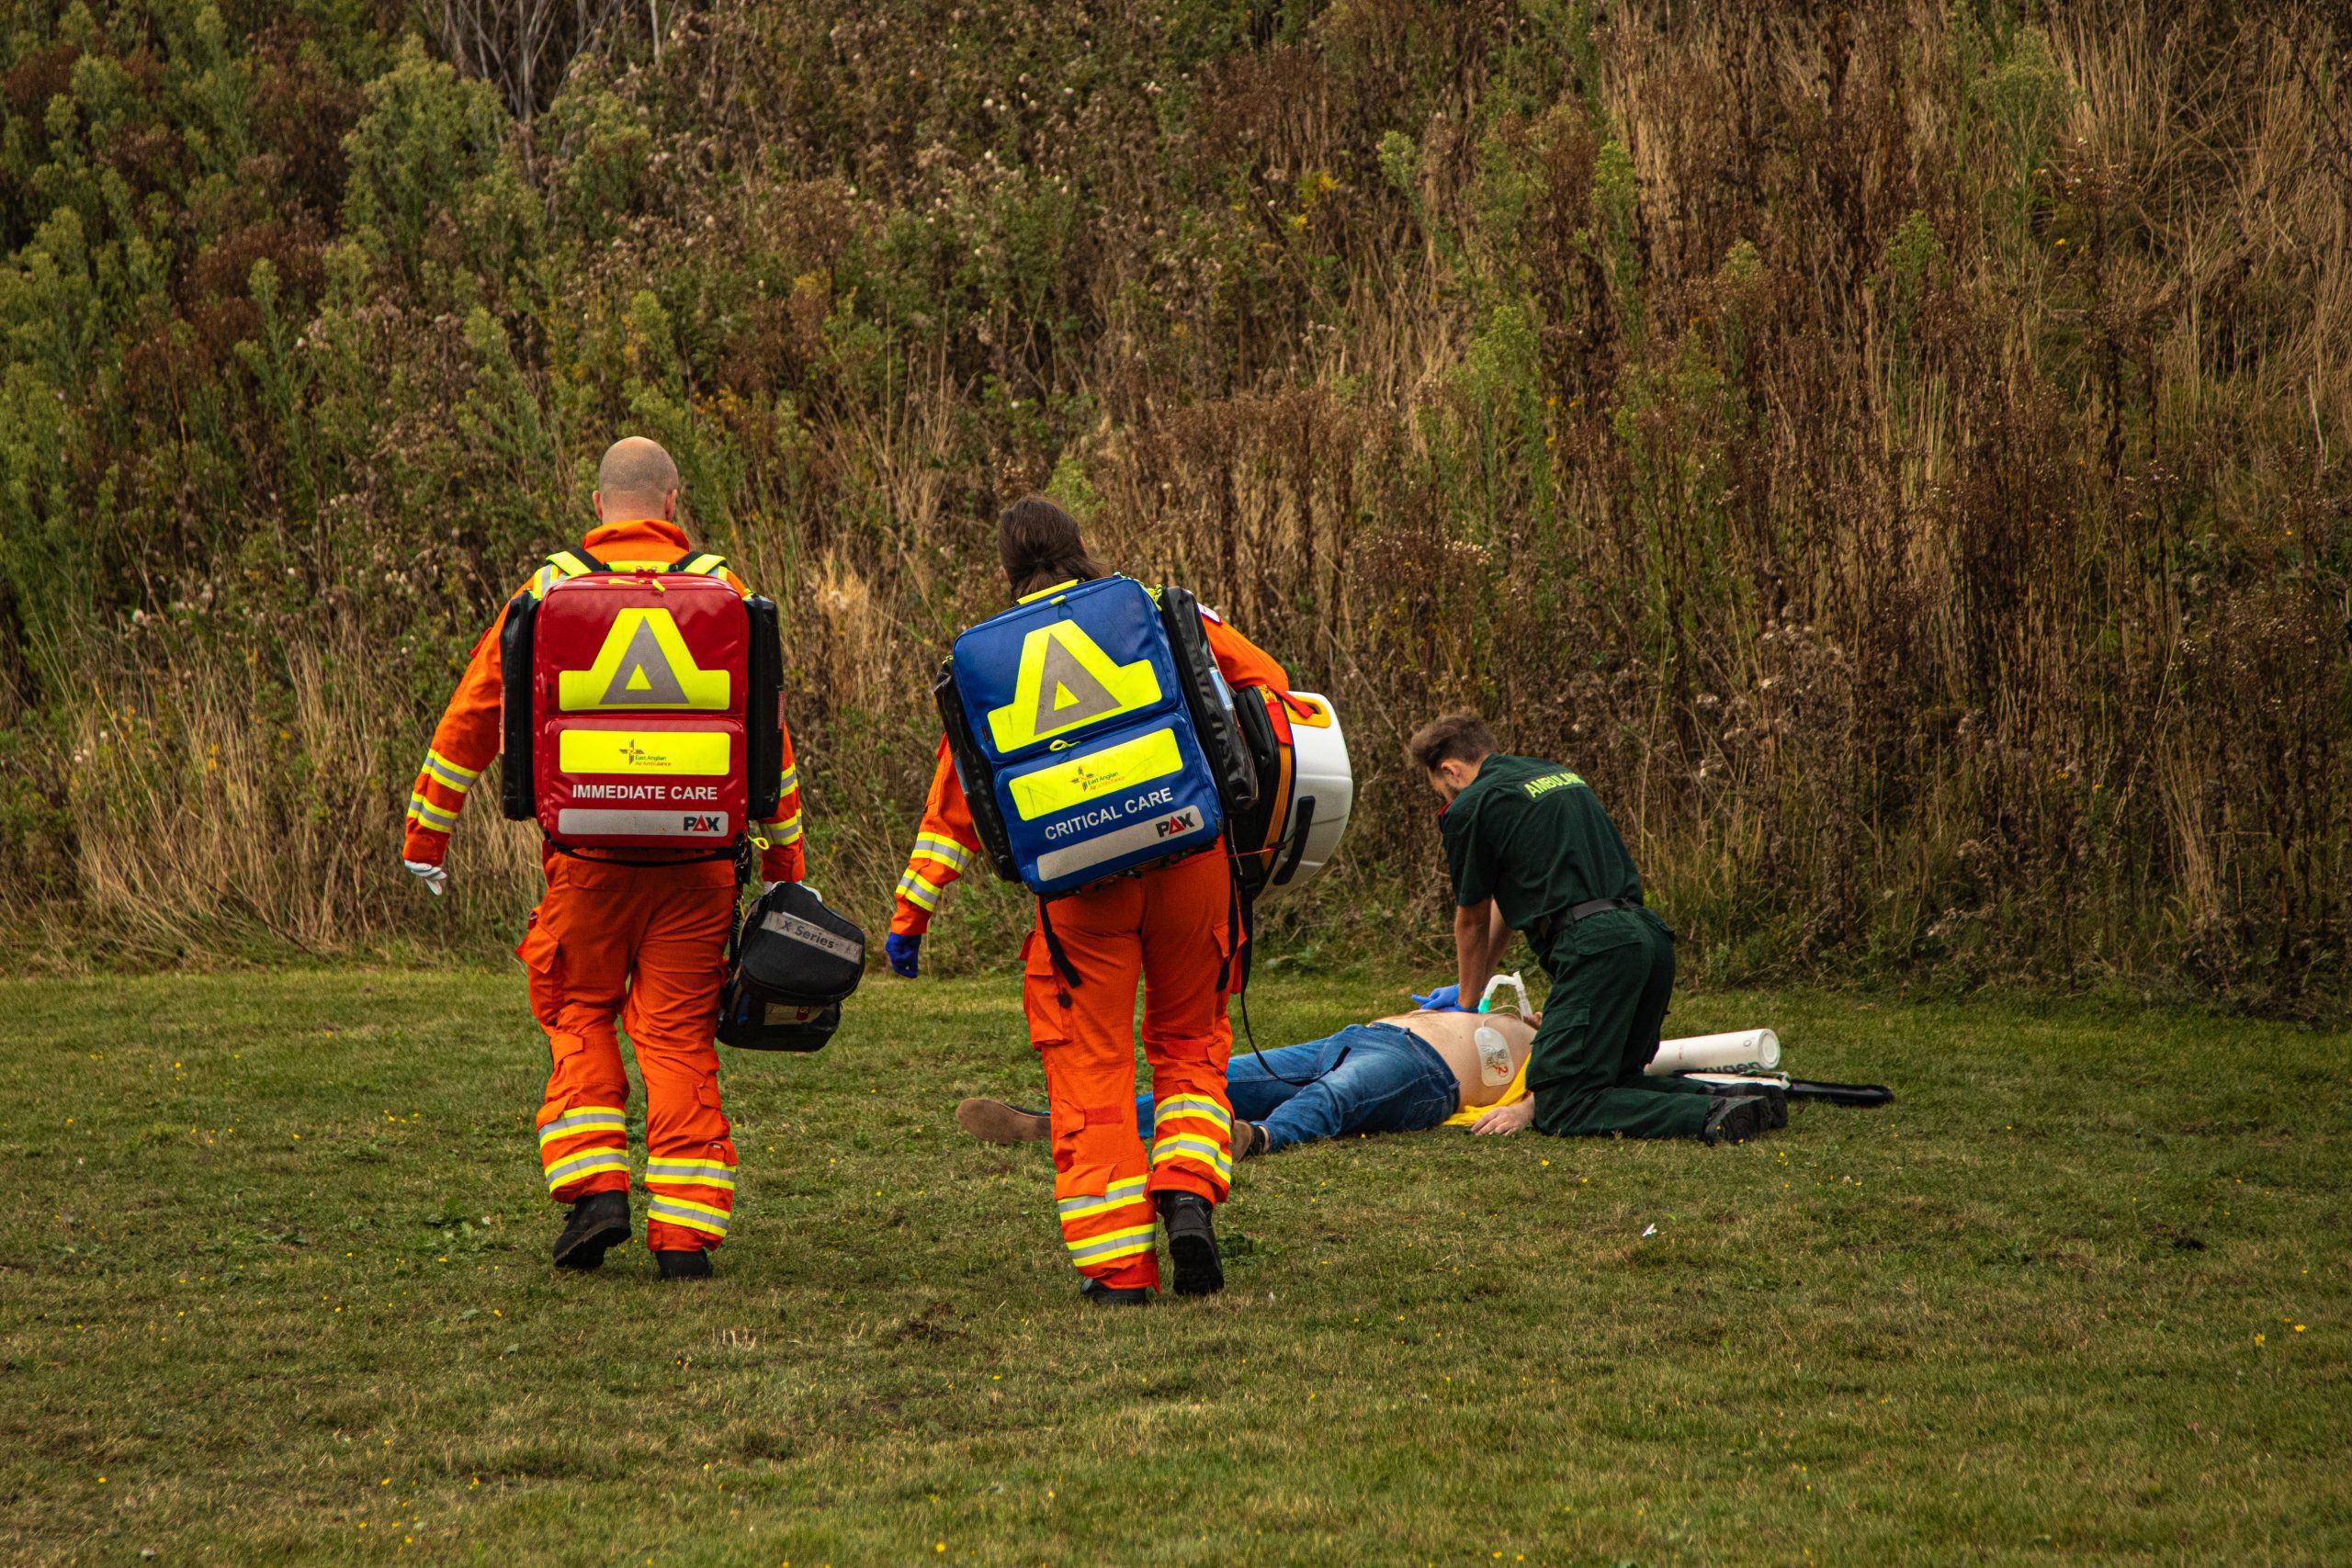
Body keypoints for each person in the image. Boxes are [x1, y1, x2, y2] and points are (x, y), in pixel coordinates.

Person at [400, 437, 808, 1280]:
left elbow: (474, 712)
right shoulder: (725, 590)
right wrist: (785, 860)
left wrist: (426, 835)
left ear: (598, 504)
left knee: (579, 1010)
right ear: (672, 498)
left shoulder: (547, 591)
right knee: (678, 1037)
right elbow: (769, 739)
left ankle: (595, 1193)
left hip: (584, 860)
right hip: (698, 867)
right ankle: (686, 1239)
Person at [887, 497, 1292, 1305]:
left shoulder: (986, 658)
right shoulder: (1152, 608)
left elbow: (954, 802)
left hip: (1080, 891)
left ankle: (1118, 1271)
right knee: (1192, 1042)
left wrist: (911, 919)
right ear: (1082, 548)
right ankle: (1185, 1194)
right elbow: (1269, 686)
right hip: (1192, 861)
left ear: (1006, 572)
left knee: (1091, 1069)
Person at [1406, 712, 1772, 1145]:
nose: (1446, 797)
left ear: (1450, 770)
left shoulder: (1472, 805)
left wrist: (1466, 1006)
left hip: (1597, 948)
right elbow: (1504, 906)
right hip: (1649, 939)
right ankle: (1745, 1097)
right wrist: (1478, 982)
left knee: (1563, 1101)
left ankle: (1708, 1112)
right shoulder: (1552, 775)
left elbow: (1472, 918)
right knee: (1613, 1079)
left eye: (1442, 790)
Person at [954, 1004, 1788, 1154]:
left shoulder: (1556, 1051)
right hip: (1364, 1033)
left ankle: (1262, 1139)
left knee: (1334, 1103)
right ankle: (1068, 1117)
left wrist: (1530, 1102)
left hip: (1419, 1071)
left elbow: (1576, 1082)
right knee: (1225, 1072)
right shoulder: (1508, 1010)